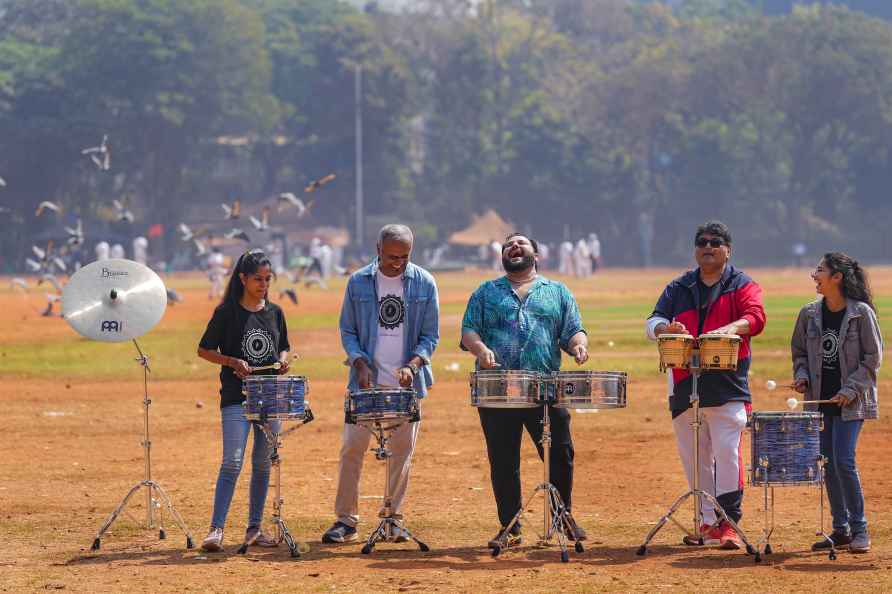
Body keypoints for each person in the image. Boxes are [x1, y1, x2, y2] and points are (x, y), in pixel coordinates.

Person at [461, 232, 589, 549]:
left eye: (520, 243)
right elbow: (468, 331)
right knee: (503, 460)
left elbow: (573, 331)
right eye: (508, 245)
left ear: (537, 253)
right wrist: (480, 349)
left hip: (545, 387)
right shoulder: (486, 292)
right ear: (502, 256)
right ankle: (510, 527)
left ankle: (562, 517)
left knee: (561, 453)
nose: (513, 247)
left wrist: (579, 347)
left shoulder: (556, 291)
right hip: (498, 388)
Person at [645, 220, 766, 549]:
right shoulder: (679, 286)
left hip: (728, 384)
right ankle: (706, 521)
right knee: (694, 457)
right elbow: (652, 320)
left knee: (727, 453)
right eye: (702, 242)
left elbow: (756, 317)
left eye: (715, 242)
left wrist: (730, 328)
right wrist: (664, 329)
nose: (708, 247)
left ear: (728, 250)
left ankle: (728, 523)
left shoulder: (742, 284)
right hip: (685, 384)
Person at [322, 224, 439, 543]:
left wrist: (413, 365)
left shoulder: (425, 283)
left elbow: (431, 335)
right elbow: (347, 330)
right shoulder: (358, 282)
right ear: (377, 249)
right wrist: (359, 362)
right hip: (364, 384)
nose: (398, 263)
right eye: (391, 257)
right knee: (352, 449)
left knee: (402, 453)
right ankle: (345, 521)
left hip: (407, 387)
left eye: (404, 257)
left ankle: (393, 519)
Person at [197, 249, 292, 552]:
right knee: (232, 461)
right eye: (257, 279)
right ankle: (216, 529)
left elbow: (285, 347)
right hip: (236, 397)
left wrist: (284, 361)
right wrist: (231, 361)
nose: (263, 284)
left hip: (270, 396)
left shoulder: (275, 312)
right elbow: (204, 349)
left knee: (263, 463)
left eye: (267, 279)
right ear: (242, 278)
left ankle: (254, 529)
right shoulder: (226, 312)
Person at [791, 253, 882, 554]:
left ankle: (860, 529)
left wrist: (850, 389)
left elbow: (872, 360)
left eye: (819, 270)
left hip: (850, 402)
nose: (813, 275)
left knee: (844, 460)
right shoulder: (808, 313)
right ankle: (840, 529)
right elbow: (800, 353)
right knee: (828, 464)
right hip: (820, 402)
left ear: (837, 277)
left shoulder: (861, 313)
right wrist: (802, 376)